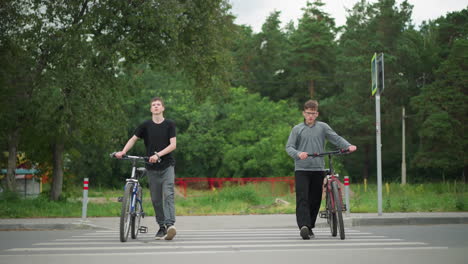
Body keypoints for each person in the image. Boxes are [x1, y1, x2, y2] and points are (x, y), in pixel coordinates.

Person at [285, 100, 356, 240]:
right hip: (302, 169)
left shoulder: (323, 127)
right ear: (303, 113)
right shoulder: (297, 129)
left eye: (313, 113)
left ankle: (310, 226)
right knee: (303, 198)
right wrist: (298, 154)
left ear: (317, 114)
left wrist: (348, 146)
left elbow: (336, 138)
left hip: (318, 168)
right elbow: (289, 147)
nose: (310, 116)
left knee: (315, 199)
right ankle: (304, 227)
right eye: (308, 113)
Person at [115, 97, 177, 240]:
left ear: (163, 108)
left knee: (168, 194)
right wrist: (123, 151)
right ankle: (162, 227)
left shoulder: (169, 125)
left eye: (158, 105)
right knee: (155, 199)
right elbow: (133, 139)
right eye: (153, 105)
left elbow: (173, 145)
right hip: (151, 168)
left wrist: (158, 154)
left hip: (167, 165)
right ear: (151, 109)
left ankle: (170, 225)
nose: (156, 107)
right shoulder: (145, 125)